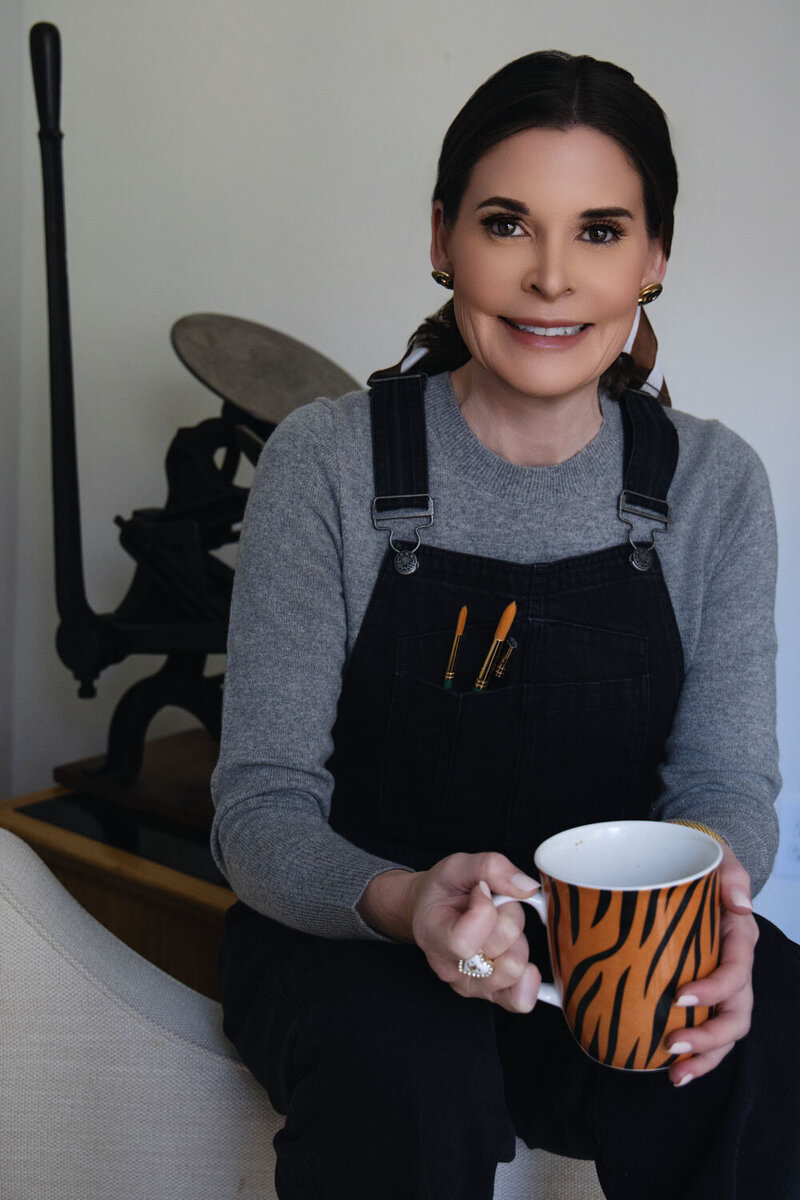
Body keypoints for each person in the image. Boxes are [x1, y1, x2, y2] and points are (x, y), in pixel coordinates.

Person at [211, 50, 799, 1199]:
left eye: (596, 230)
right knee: (410, 1069)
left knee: (770, 1019)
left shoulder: (713, 485)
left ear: (652, 258)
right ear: (440, 239)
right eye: (503, 223)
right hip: (359, 942)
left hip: (599, 952)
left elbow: (724, 785)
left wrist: (719, 914)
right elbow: (259, 810)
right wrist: (404, 901)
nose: (547, 278)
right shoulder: (327, 463)